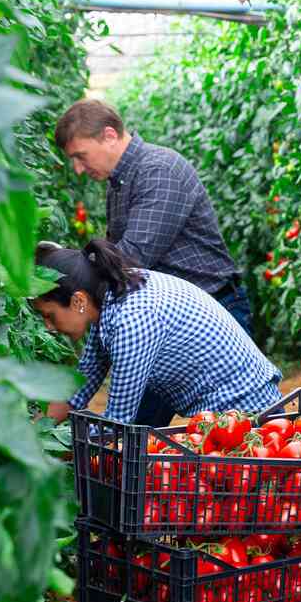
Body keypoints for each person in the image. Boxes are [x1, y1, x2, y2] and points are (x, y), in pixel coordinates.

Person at [33, 239, 284, 602]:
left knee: (201, 539)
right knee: (235, 542)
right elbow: (84, 382)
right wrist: (40, 431)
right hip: (228, 414)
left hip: (243, 420)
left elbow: (121, 425)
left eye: (51, 315)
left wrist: (66, 456)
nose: (51, 326)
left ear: (79, 300)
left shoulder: (129, 319)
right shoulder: (113, 303)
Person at [55, 99, 253, 429]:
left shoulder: (158, 170)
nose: (77, 168)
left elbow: (130, 259)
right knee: (147, 437)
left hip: (208, 318)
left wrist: (71, 281)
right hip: (163, 321)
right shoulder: (119, 183)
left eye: (79, 155)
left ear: (108, 135)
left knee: (227, 436)